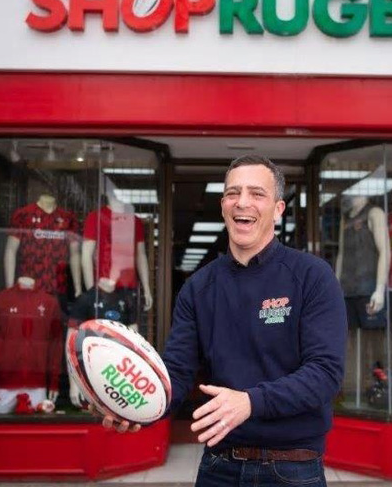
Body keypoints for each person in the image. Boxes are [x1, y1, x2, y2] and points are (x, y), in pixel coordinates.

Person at [98, 155, 347, 487]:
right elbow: (177, 372)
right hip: (219, 467)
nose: (242, 201)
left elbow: (325, 373)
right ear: (223, 205)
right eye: (233, 192)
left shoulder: (312, 276)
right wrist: (137, 408)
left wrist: (250, 402)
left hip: (292, 469)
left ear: (277, 209)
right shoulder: (198, 288)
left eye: (257, 193)